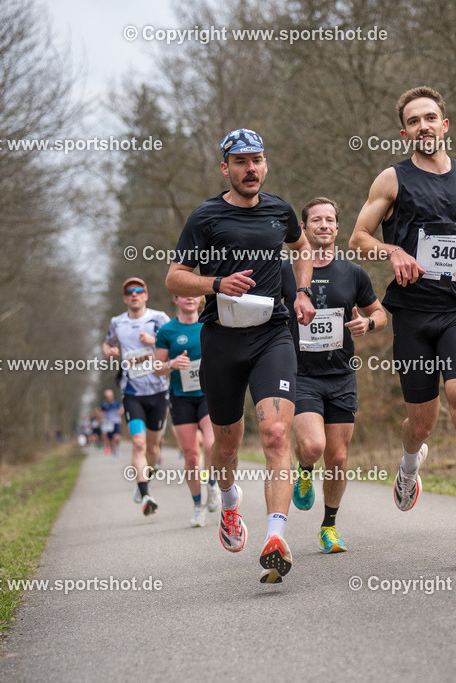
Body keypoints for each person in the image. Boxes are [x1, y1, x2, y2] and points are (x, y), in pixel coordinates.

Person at [349, 86, 456, 567]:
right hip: (412, 313)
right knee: (422, 422)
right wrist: (392, 251)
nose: (424, 127)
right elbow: (358, 238)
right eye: (414, 121)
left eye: (431, 118)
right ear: (405, 131)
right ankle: (410, 464)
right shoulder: (393, 179)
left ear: (445, 125)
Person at [165, 128, 316, 583]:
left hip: (272, 334)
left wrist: (303, 290)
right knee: (226, 446)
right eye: (241, 162)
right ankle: (230, 503)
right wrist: (215, 284)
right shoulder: (206, 217)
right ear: (225, 168)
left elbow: (301, 246)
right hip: (222, 339)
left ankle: (276, 536)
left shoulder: (280, 209)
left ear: (265, 164)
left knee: (274, 434)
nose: (251, 169)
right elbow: (174, 277)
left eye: (258, 160)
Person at [280, 197, 387, 553]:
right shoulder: (286, 271)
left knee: (338, 458)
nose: (323, 225)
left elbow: (381, 313)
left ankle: (328, 526)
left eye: (330, 220)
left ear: (337, 229)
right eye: (316, 220)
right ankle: (304, 470)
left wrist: (368, 323)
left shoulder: (352, 272)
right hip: (302, 374)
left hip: (341, 374)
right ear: (304, 228)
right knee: (313, 446)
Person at [102, 277, 171, 517]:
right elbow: (107, 342)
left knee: (154, 447)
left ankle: (144, 482)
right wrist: (109, 350)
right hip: (132, 393)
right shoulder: (117, 322)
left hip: (159, 391)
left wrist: (155, 341)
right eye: (129, 291)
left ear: (145, 295)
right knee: (139, 443)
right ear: (124, 298)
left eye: (138, 290)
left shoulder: (159, 318)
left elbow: (177, 341)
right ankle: (145, 494)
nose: (134, 294)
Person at [155, 295, 222, 528]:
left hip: (207, 394)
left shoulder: (209, 323)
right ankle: (197, 505)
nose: (190, 298)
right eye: (184, 294)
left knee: (212, 444)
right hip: (181, 398)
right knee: (192, 456)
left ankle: (212, 484)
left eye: (194, 294)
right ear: (175, 299)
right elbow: (157, 368)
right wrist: (171, 364)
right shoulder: (166, 331)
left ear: (201, 298)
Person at [100, 389, 123, 458]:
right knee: (110, 440)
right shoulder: (104, 405)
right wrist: (102, 416)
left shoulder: (117, 403)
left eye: (110, 396)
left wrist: (119, 412)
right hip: (108, 424)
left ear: (112, 396)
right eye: (107, 396)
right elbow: (101, 413)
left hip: (116, 423)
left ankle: (117, 448)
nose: (109, 398)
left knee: (117, 438)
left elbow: (122, 409)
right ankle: (114, 451)